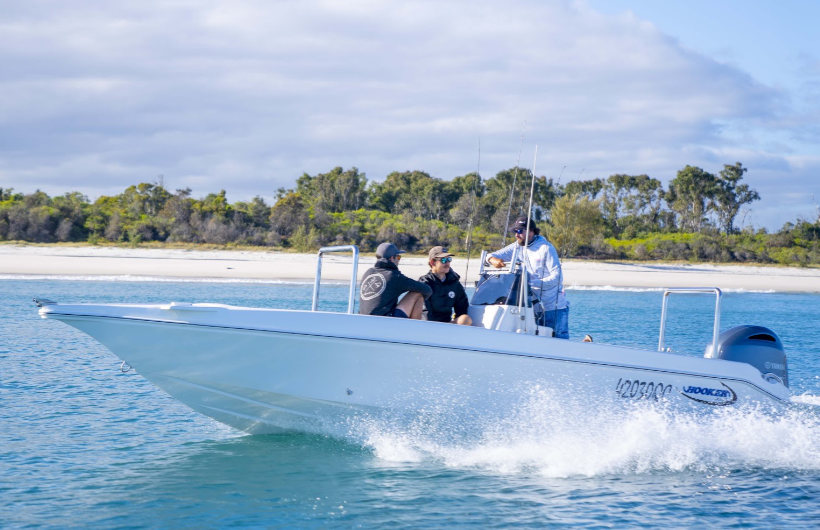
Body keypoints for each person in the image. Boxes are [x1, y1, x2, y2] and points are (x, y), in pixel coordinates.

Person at [487, 216, 570, 339]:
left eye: (520, 231)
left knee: (558, 343)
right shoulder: (517, 247)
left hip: (553, 308)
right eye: (515, 231)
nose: (516, 235)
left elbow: (557, 278)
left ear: (531, 231)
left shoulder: (546, 248)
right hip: (533, 309)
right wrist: (491, 259)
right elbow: (489, 255)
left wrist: (530, 283)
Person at [359, 242, 432, 318]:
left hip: (364, 320)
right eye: (398, 257)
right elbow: (427, 290)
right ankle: (414, 328)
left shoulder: (368, 273)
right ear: (392, 258)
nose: (399, 260)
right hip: (385, 322)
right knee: (417, 294)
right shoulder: (393, 275)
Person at [419, 246, 473, 325]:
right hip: (429, 325)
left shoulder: (454, 283)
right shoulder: (425, 282)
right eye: (443, 260)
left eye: (449, 259)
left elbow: (462, 308)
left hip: (448, 325)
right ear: (432, 262)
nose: (447, 263)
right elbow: (424, 312)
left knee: (465, 319)